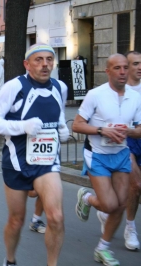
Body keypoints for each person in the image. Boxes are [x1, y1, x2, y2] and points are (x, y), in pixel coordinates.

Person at [0, 43, 69, 266]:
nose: (45, 64)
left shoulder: (60, 87)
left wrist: (61, 128)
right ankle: (10, 260)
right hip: (16, 161)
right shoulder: (15, 87)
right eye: (38, 60)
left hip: (47, 163)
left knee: (56, 217)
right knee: (16, 220)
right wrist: (23, 126)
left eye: (49, 59)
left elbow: (57, 114)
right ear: (27, 64)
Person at [72, 53, 141, 265]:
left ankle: (103, 248)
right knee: (109, 205)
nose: (122, 72)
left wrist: (128, 131)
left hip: (120, 155)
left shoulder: (135, 96)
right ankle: (86, 198)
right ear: (108, 71)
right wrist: (102, 130)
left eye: (124, 68)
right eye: (117, 68)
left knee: (121, 205)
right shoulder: (95, 95)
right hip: (98, 155)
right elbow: (76, 125)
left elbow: (139, 128)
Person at [95, 51, 141, 252]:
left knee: (120, 197)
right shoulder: (107, 92)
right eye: (135, 64)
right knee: (136, 185)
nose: (139, 68)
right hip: (123, 144)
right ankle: (130, 227)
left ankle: (108, 212)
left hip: (137, 136)